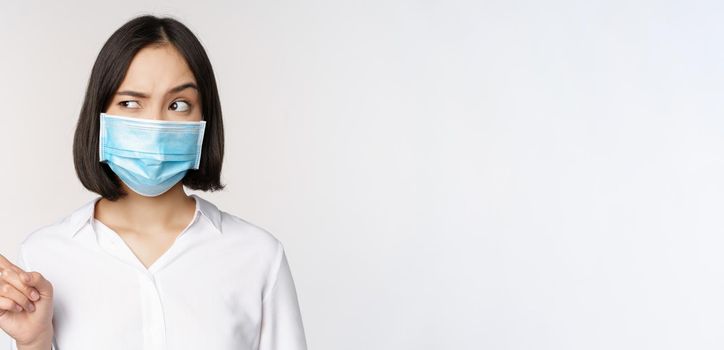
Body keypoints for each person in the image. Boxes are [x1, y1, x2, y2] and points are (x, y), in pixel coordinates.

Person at [0, 14, 308, 350]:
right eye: (130, 103)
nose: (155, 126)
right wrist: (34, 342)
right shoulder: (44, 256)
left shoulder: (258, 257)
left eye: (178, 104)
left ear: (204, 119)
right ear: (99, 116)